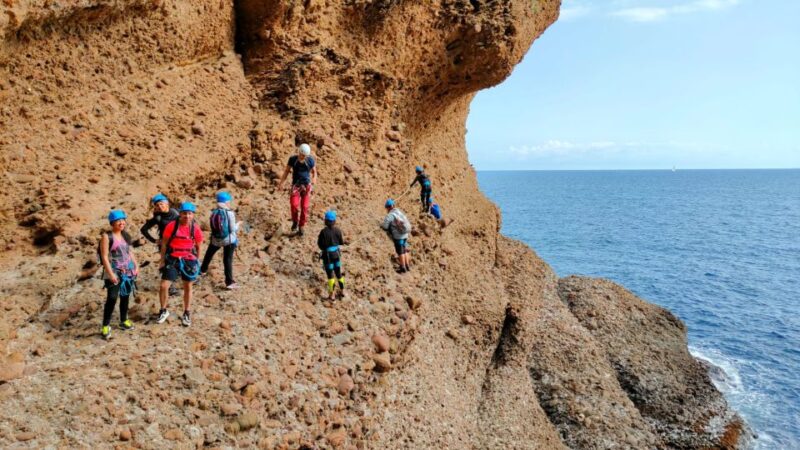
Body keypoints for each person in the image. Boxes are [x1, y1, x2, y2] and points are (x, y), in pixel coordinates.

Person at [157, 202, 203, 327]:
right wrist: (162, 261)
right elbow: (164, 244)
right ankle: (163, 310)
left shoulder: (195, 228)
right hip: (172, 258)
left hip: (189, 258)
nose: (187, 216)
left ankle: (187, 312)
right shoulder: (171, 226)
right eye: (184, 213)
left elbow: (199, 246)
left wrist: (197, 262)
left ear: (193, 215)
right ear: (180, 214)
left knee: (187, 286)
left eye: (189, 214)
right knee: (164, 286)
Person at [99, 210, 139, 339]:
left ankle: (123, 320)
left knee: (125, 295)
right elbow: (104, 257)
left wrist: (136, 266)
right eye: (118, 221)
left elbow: (130, 252)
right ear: (112, 223)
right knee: (112, 297)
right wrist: (111, 274)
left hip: (128, 271)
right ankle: (105, 325)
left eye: (123, 220)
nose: (122, 223)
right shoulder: (107, 237)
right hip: (114, 271)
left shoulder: (125, 235)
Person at [141, 193, 180, 296]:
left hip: (179, 243)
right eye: (157, 205)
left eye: (161, 204)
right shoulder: (158, 217)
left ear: (167, 204)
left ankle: (185, 278)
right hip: (165, 245)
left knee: (180, 261)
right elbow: (143, 229)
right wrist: (154, 240)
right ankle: (171, 287)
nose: (159, 206)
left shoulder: (176, 214)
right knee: (167, 264)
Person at [200, 191, 240, 289]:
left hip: (215, 240)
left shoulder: (214, 212)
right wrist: (238, 224)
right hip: (228, 241)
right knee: (227, 260)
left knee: (209, 254)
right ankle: (229, 282)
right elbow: (232, 229)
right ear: (226, 202)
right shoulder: (229, 213)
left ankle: (202, 271)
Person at [277, 143, 317, 236]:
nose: (304, 157)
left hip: (306, 186)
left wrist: (314, 180)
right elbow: (287, 171)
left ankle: (301, 225)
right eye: (303, 155)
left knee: (305, 207)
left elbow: (315, 172)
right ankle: (295, 221)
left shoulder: (310, 160)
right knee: (294, 204)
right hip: (296, 185)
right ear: (299, 152)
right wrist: (281, 183)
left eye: (305, 155)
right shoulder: (293, 160)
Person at [317, 210, 346, 300]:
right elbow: (341, 242)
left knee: (330, 275)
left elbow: (320, 245)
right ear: (334, 221)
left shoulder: (323, 232)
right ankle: (342, 291)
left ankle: (332, 294)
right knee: (338, 273)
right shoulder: (338, 231)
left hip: (328, 257)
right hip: (336, 255)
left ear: (325, 221)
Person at [381, 199, 412, 273]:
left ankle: (402, 267)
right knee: (405, 250)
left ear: (388, 207)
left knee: (400, 251)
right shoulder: (399, 212)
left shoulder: (391, 215)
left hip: (399, 236)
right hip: (405, 234)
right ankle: (407, 266)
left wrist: (382, 226)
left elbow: (385, 226)